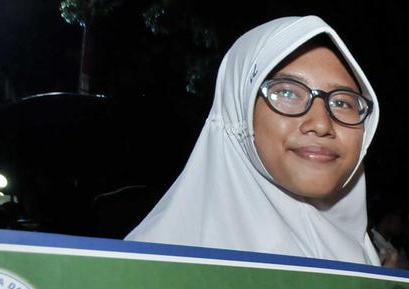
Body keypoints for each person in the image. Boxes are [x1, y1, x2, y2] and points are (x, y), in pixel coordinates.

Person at [125, 16, 381, 265]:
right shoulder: (152, 266)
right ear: (240, 109)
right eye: (287, 93)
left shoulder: (362, 260)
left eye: (342, 102)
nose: (321, 124)